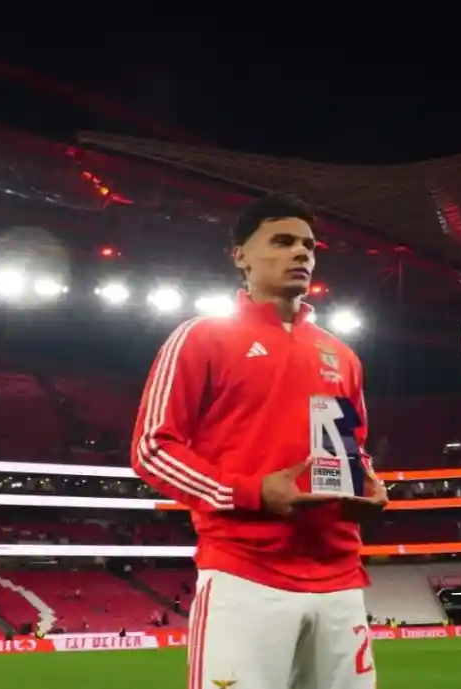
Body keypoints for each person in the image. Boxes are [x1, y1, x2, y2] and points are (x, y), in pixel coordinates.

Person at [132, 193, 387, 689]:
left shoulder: (340, 355)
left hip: (340, 578)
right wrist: (252, 492)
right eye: (282, 241)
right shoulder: (201, 337)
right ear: (240, 256)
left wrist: (367, 486)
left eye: (309, 246)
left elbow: (347, 449)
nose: (301, 253)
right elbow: (152, 449)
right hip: (246, 574)